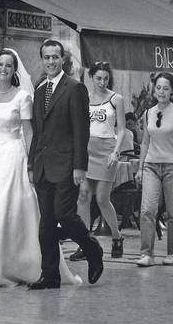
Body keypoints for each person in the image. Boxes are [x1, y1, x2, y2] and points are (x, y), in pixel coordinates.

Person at [0, 49, 82, 287]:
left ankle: (20, 264)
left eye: (8, 65)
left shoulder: (22, 97)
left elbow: (29, 132)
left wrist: (30, 162)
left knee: (10, 208)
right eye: (0, 64)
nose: (3, 69)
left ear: (15, 70)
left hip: (14, 156)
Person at [27, 39, 104, 289]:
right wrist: (31, 164)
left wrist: (80, 167)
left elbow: (82, 130)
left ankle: (93, 250)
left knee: (65, 215)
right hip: (42, 167)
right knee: (46, 223)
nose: (51, 61)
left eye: (55, 57)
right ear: (42, 60)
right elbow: (37, 132)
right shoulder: (39, 90)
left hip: (67, 166)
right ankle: (50, 275)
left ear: (63, 59)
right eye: (46, 57)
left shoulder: (74, 88)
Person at [69, 61, 127, 261]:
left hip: (107, 150)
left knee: (102, 198)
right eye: (98, 78)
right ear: (91, 78)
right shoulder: (84, 97)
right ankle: (86, 244)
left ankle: (117, 236)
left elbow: (121, 129)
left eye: (105, 78)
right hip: (86, 149)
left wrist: (116, 152)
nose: (102, 82)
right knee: (83, 195)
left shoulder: (116, 99)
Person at [134, 72, 173, 267]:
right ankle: (146, 254)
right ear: (154, 89)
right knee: (147, 209)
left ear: (172, 90)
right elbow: (145, 143)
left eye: (166, 88)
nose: (162, 92)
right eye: (158, 88)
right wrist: (140, 168)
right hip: (151, 166)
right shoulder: (148, 112)